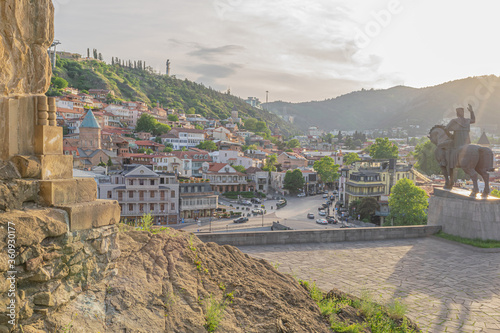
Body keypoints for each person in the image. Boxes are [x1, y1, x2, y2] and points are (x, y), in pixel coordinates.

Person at [444, 104, 475, 169]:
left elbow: (446, 129)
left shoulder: (454, 121)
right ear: (463, 113)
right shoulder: (467, 121)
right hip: (467, 142)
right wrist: (471, 111)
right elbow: (473, 120)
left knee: (448, 150)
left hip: (458, 142)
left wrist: (451, 136)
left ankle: (450, 164)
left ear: (457, 113)